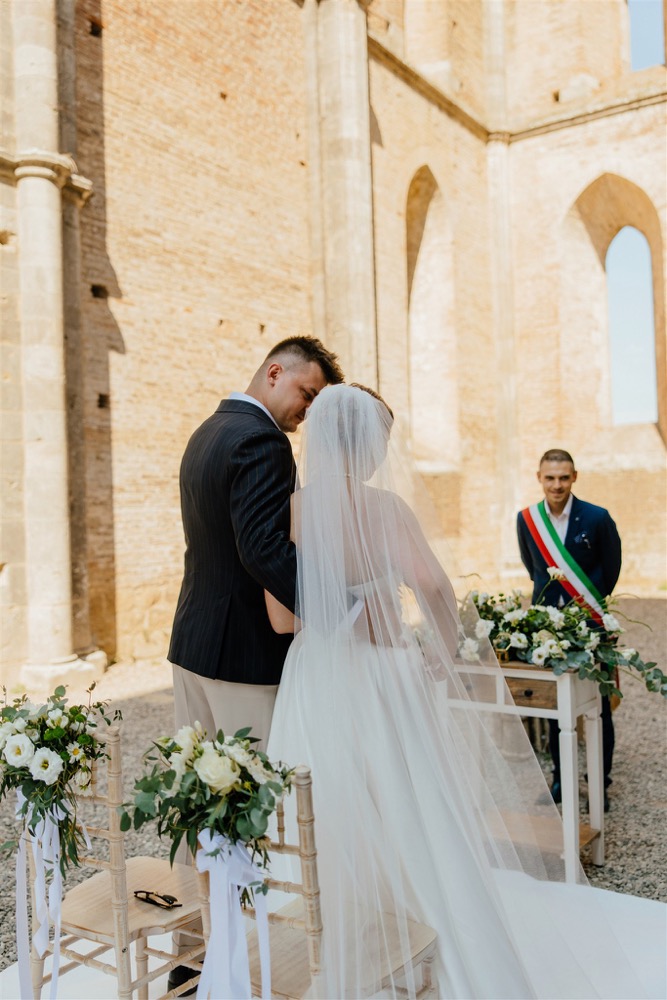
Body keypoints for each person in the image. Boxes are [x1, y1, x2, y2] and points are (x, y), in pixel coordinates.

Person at [265, 384, 664, 1000]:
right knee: (407, 798)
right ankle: (420, 930)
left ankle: (322, 943)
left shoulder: (293, 510)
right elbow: (433, 585)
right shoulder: (385, 508)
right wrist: (441, 648)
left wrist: (339, 618)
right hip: (380, 673)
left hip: (313, 673)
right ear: (366, 444)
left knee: (324, 798)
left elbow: (281, 619)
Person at [166, 336, 342, 994]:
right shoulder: (263, 442)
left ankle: (194, 952)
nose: (307, 412)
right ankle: (250, 964)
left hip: (192, 647)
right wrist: (340, 610)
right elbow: (264, 550)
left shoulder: (207, 432)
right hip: (242, 658)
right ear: (275, 372)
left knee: (196, 801)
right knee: (257, 811)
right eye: (307, 394)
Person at [517, 449, 622, 810]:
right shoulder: (526, 520)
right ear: (539, 478)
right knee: (554, 704)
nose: (557, 485)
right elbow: (533, 568)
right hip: (548, 629)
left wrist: (589, 606)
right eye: (550, 478)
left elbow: (611, 568)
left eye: (564, 477)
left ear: (574, 477)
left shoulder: (597, 517)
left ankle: (599, 781)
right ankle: (561, 778)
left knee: (598, 706)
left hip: (590, 622)